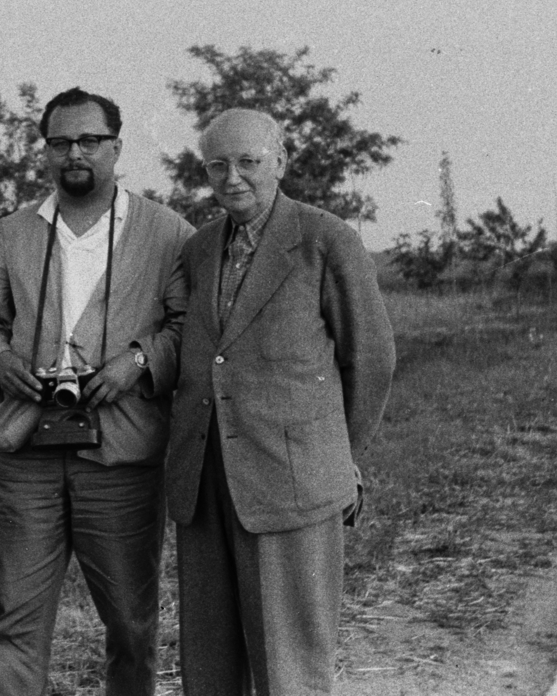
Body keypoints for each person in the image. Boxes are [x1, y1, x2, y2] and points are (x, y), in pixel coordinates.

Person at [165, 109, 396, 696]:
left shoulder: (326, 240)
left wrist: (335, 461)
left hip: (292, 484)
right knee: (208, 666)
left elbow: (370, 360)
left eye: (248, 161)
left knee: (289, 666)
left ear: (281, 163)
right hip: (205, 481)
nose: (232, 176)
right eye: (217, 165)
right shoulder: (199, 249)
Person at [0, 87, 196, 696]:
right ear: (45, 151)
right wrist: (0, 362)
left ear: (117, 148)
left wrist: (138, 361)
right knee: (13, 617)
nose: (76, 152)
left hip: (122, 456)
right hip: (27, 455)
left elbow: (188, 329)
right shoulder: (15, 231)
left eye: (90, 141)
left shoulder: (168, 232)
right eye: (61, 141)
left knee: (129, 620)